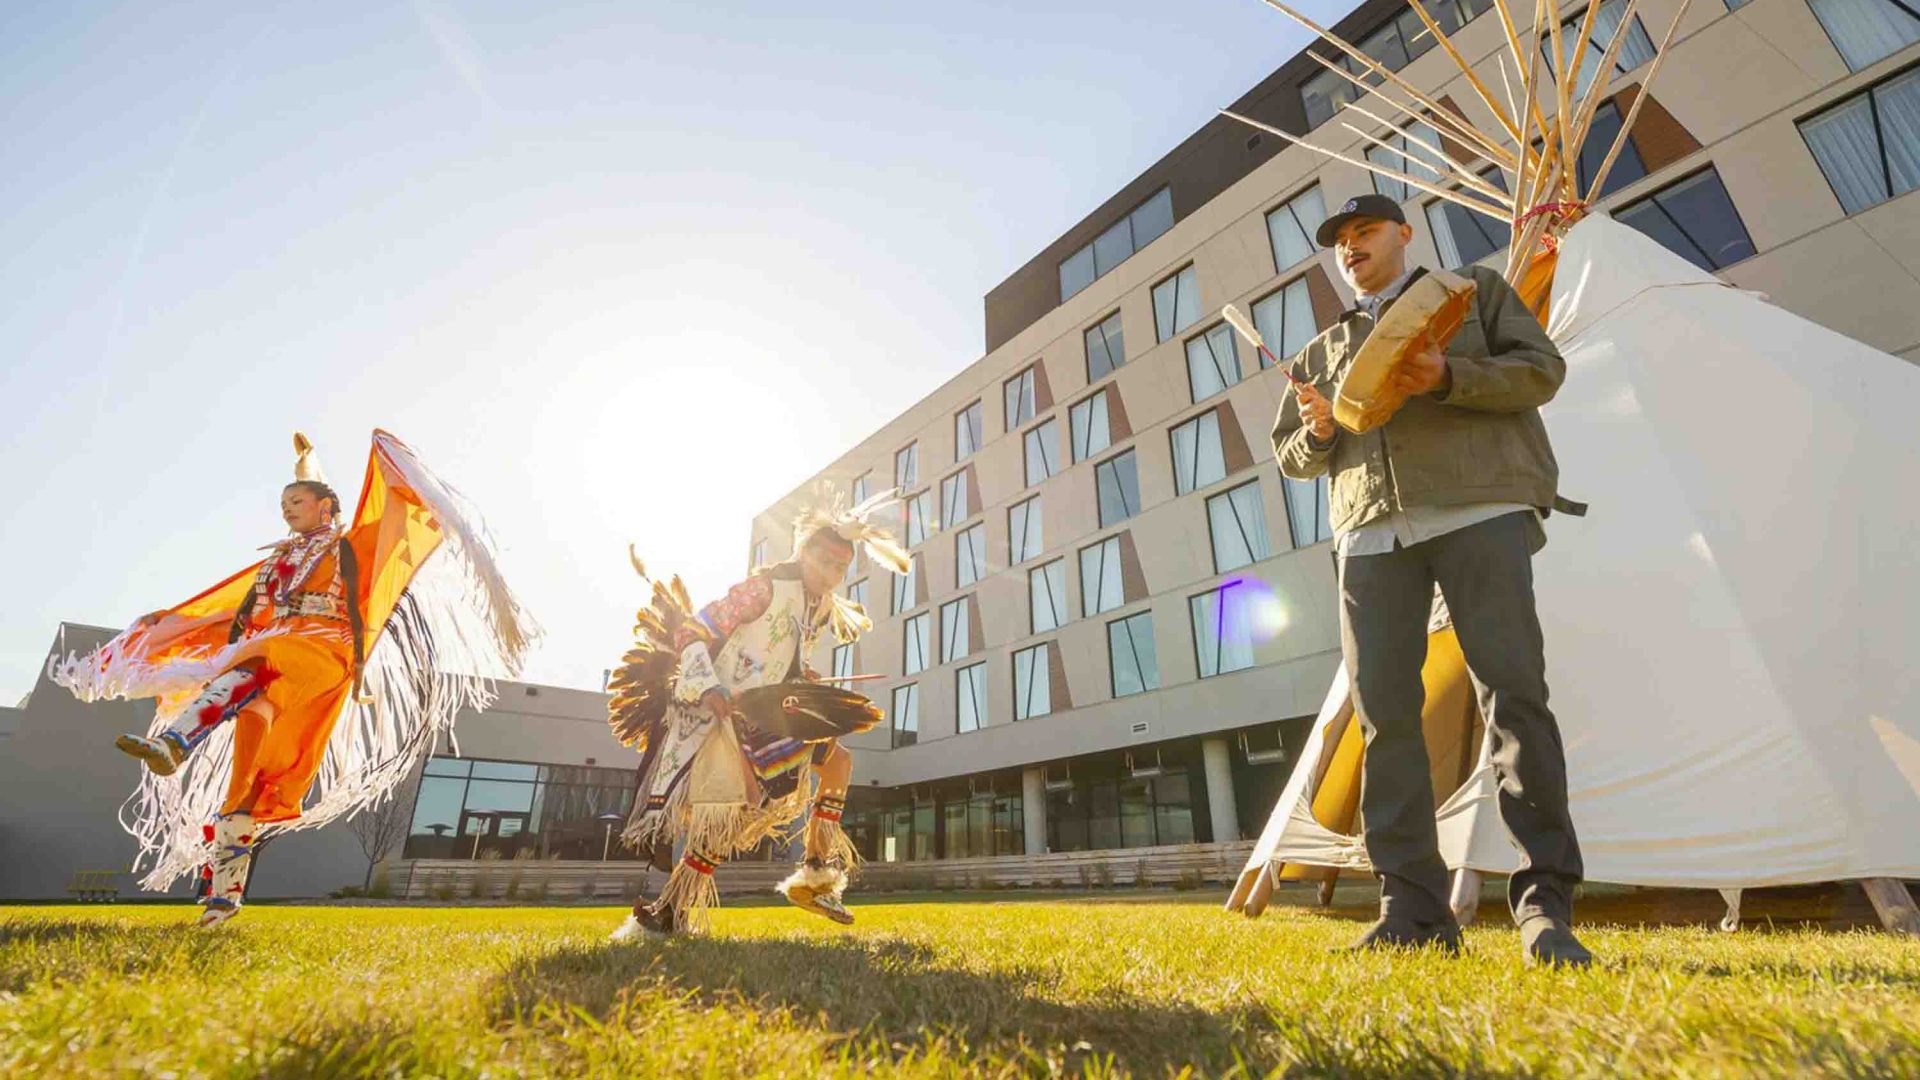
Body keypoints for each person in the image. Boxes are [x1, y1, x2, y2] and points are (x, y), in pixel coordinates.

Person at [1271, 194, 1590, 967]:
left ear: (1404, 234)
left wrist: (1449, 374)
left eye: (1366, 232)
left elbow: (1543, 371)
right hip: (1368, 534)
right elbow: (1291, 455)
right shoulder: (1319, 352)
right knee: (1384, 718)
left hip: (1478, 508)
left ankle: (1544, 908)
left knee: (1514, 696)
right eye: (1341, 241)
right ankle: (1412, 911)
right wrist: (1317, 432)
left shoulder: (1473, 293)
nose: (1351, 247)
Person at [51, 431, 537, 926]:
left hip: (323, 651)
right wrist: (175, 624)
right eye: (283, 504)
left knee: (261, 656)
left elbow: (396, 517)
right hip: (271, 662)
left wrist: (388, 456)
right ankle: (223, 900)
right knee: (248, 776)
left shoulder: (352, 545)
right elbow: (239, 620)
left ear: (325, 506)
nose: (287, 510)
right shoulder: (277, 563)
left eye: (297, 501)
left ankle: (178, 741)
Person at [610, 488, 906, 940]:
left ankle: (815, 876)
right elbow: (694, 630)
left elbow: (783, 660)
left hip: (769, 715)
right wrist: (707, 685)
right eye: (825, 561)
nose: (831, 575)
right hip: (724, 715)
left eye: (841, 568)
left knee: (837, 763)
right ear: (803, 552)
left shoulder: (816, 607)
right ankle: (670, 908)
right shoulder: (764, 588)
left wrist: (803, 679)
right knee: (734, 813)